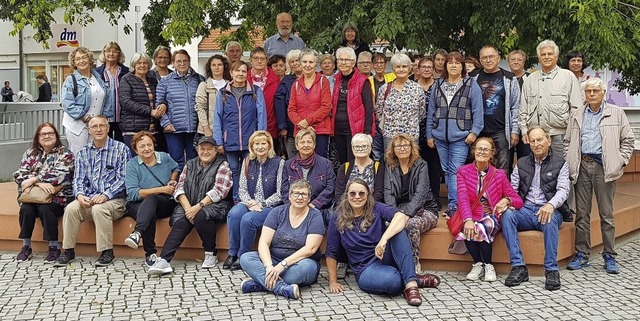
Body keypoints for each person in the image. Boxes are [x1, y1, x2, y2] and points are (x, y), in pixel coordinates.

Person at [326, 178, 441, 307]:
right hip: (365, 269)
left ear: (368, 195)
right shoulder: (338, 217)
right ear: (347, 195)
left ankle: (411, 285)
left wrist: (383, 239)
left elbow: (401, 217)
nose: (357, 197)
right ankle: (412, 277)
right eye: (352, 193)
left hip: (383, 255)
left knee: (398, 230)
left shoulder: (376, 207)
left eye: (361, 193)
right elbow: (331, 251)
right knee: (393, 282)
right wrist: (333, 281)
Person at [564, 78, 634, 274]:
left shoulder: (616, 112)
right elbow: (568, 141)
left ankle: (610, 255)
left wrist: (620, 160)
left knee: (606, 214)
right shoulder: (577, 114)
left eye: (596, 91)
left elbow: (628, 140)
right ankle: (582, 254)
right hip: (582, 165)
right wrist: (570, 160)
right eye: (588, 91)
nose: (592, 94)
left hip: (604, 167)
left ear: (603, 93)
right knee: (582, 214)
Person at [148, 136, 233, 274]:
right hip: (190, 204)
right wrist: (188, 209)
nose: (205, 152)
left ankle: (211, 253)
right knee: (182, 220)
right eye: (202, 149)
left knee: (201, 215)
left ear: (215, 151)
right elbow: (179, 187)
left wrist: (197, 207)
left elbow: (219, 191)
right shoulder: (190, 164)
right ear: (197, 150)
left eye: (209, 149)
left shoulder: (222, 165)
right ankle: (164, 260)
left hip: (217, 205)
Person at [54, 116, 131, 267]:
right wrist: (80, 195)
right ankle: (68, 251)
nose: (98, 129)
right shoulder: (83, 153)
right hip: (89, 198)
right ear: (89, 131)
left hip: (115, 201)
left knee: (99, 209)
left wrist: (105, 195)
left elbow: (124, 179)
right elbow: (78, 179)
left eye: (102, 126)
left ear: (108, 128)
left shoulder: (121, 149)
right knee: (71, 209)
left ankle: (106, 251)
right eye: (94, 126)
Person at [502, 127, 570, 291]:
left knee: (549, 219)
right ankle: (518, 266)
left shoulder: (561, 163)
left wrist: (550, 205)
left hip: (549, 209)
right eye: (532, 141)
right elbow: (513, 189)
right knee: (507, 215)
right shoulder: (522, 163)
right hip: (526, 210)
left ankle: (551, 270)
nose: (536, 144)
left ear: (549, 141)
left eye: (540, 140)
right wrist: (508, 201)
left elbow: (563, 190)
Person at [239, 179, 325, 299]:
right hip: (273, 260)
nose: (300, 197)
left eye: (304, 194)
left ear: (309, 198)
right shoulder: (277, 212)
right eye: (296, 193)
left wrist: (282, 265)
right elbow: (264, 242)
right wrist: (269, 266)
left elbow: (310, 249)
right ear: (290, 196)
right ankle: (282, 288)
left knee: (303, 269)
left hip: (300, 263)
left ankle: (259, 283)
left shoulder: (315, 216)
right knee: (246, 258)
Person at [456, 137, 523, 281]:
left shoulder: (499, 174)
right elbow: (462, 198)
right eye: (479, 148)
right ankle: (478, 263)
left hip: (491, 215)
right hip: (472, 213)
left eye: (486, 149)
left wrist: (507, 200)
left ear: (492, 153)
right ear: (474, 151)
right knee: (468, 226)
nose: (482, 152)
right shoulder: (463, 171)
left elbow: (518, 200)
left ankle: (488, 265)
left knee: (482, 226)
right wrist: (467, 219)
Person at [426, 51, 484, 217]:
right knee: (446, 171)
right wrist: (429, 134)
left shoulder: (471, 84)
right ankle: (455, 205)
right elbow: (431, 111)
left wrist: (474, 132)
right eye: (450, 62)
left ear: (462, 66)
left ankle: (455, 206)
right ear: (445, 66)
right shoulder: (438, 85)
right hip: (439, 137)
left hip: (461, 137)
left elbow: (477, 111)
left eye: (457, 63)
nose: (453, 65)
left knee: (456, 171)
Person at [13, 123, 74, 263]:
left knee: (46, 208)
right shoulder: (30, 153)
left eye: (50, 133)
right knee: (26, 209)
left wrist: (34, 179)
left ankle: (53, 247)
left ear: (56, 136)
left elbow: (59, 176)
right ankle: (26, 246)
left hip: (58, 197)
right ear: (38, 137)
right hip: (33, 197)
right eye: (43, 134)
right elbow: (19, 176)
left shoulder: (65, 153)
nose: (47, 136)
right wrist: (40, 183)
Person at [224, 131, 285, 271]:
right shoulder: (247, 161)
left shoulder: (279, 163)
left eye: (264, 143)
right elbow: (242, 188)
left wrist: (262, 204)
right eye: (256, 144)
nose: (260, 147)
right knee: (234, 214)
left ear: (269, 145)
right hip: (250, 202)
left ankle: (242, 255)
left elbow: (280, 193)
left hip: (270, 205)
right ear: (252, 146)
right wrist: (251, 202)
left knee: (248, 219)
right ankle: (232, 253)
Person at [123, 131, 180, 267]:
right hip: (137, 204)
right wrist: (160, 189)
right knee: (149, 211)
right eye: (142, 146)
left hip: (164, 202)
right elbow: (133, 194)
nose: (147, 148)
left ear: (154, 145)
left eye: (149, 144)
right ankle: (151, 254)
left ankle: (137, 233)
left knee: (152, 201)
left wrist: (172, 180)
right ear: (136, 150)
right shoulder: (132, 165)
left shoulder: (164, 157)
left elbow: (176, 168)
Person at [384, 134, 439, 273]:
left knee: (411, 224)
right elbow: (388, 193)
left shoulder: (421, 165)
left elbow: (420, 194)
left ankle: (413, 263)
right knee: (386, 223)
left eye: (405, 145)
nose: (402, 149)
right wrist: (394, 214)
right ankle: (392, 260)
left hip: (425, 210)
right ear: (393, 149)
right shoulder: (390, 167)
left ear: (411, 147)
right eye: (398, 146)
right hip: (399, 211)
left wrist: (405, 214)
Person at [214, 60, 267, 202]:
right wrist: (218, 141)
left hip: (251, 140)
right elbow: (217, 117)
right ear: (231, 72)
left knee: (250, 171)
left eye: (243, 71)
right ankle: (236, 199)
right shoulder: (223, 93)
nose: (240, 74)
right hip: (229, 140)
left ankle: (249, 199)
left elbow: (261, 115)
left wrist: (261, 138)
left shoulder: (255, 92)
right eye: (237, 71)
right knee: (233, 170)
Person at [519, 40, 582, 158]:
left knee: (561, 170)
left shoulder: (568, 77)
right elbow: (523, 108)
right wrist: (523, 130)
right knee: (538, 171)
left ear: (556, 57)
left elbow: (576, 109)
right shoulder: (530, 79)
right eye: (543, 54)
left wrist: (572, 134)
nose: (546, 57)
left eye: (550, 54)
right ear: (539, 58)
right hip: (535, 137)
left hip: (560, 136)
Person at [471, 45, 521, 173]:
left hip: (501, 131)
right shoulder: (473, 78)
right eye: (484, 57)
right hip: (478, 131)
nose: (488, 60)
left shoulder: (509, 78)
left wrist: (514, 130)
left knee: (502, 168)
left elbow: (516, 106)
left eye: (491, 57)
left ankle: (500, 193)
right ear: (480, 60)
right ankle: (479, 193)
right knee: (478, 166)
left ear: (498, 58)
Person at [61, 46, 114, 154]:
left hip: (96, 127)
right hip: (77, 127)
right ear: (74, 63)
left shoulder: (98, 78)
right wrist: (86, 118)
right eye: (78, 59)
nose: (81, 61)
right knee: (80, 156)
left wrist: (102, 119)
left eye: (84, 57)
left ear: (90, 60)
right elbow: (67, 104)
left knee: (96, 155)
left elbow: (107, 98)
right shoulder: (70, 80)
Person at [156, 49, 205, 168]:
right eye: (178, 61)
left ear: (189, 61)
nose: (182, 64)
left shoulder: (199, 79)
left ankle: (192, 186)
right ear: (173, 63)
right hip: (173, 129)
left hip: (194, 129)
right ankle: (177, 186)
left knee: (194, 162)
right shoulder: (165, 81)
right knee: (176, 162)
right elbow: (158, 105)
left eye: (185, 61)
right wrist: (166, 123)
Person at [282, 129, 335, 225]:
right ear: (297, 146)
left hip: (319, 207)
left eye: (309, 142)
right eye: (302, 142)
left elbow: (330, 188)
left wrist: (315, 204)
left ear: (314, 145)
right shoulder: (288, 165)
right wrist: (295, 205)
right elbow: (285, 189)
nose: (306, 145)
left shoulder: (325, 164)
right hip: (294, 207)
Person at [375, 53, 426, 151]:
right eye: (398, 67)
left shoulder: (417, 89)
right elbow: (378, 112)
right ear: (393, 69)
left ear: (409, 68)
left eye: (404, 66)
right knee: (391, 165)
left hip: (411, 135)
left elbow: (422, 113)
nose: (401, 69)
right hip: (390, 136)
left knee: (411, 164)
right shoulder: (384, 89)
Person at [333, 47, 375, 163]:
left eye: (347, 59)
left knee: (354, 162)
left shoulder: (362, 81)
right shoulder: (335, 80)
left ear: (353, 62)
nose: (343, 62)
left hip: (355, 130)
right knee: (343, 162)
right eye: (340, 59)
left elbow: (369, 108)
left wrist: (367, 133)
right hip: (337, 130)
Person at [288, 49, 332, 158]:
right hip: (301, 131)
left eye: (311, 62)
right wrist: (301, 124)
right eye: (305, 62)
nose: (307, 65)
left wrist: (308, 121)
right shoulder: (296, 85)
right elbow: (291, 109)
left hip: (320, 130)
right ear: (300, 63)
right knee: (303, 163)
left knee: (320, 163)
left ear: (316, 64)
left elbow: (326, 107)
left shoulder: (323, 81)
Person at [118, 52, 165, 153]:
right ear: (134, 65)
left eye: (145, 63)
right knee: (137, 163)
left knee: (151, 162)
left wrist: (163, 104)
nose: (142, 65)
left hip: (152, 130)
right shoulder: (126, 79)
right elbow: (126, 102)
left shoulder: (152, 80)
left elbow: (161, 96)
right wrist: (150, 111)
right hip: (133, 130)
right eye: (139, 63)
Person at [416, 57, 442, 210]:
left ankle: (435, 198)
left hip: (434, 131)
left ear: (433, 69)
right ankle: (419, 199)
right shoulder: (412, 85)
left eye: (429, 67)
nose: (426, 69)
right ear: (418, 69)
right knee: (418, 166)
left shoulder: (439, 86)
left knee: (433, 167)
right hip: (415, 131)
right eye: (423, 67)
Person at [335, 133, 384, 204]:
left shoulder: (378, 167)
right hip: (348, 208)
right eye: (356, 147)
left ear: (370, 147)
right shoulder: (344, 167)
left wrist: (364, 206)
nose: (360, 149)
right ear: (352, 148)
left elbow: (379, 193)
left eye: (364, 146)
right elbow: (339, 194)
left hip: (371, 207)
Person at [95, 42, 130, 142]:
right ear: (104, 53)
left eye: (115, 51)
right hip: (104, 116)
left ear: (119, 54)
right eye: (108, 51)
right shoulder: (97, 73)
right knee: (104, 143)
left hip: (123, 116)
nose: (111, 54)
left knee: (122, 144)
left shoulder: (126, 71)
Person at [274, 49, 303, 158]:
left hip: (311, 127)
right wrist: (283, 127)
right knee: (293, 158)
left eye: (298, 60)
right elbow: (280, 105)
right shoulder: (285, 82)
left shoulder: (314, 79)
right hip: (291, 128)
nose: (296, 63)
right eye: (292, 61)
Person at [248, 47, 281, 142]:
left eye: (262, 59)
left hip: (271, 126)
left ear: (267, 61)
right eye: (256, 58)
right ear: (250, 60)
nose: (259, 61)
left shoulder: (275, 79)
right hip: (248, 127)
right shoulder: (244, 78)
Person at [195, 54, 230, 138]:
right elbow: (200, 108)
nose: (216, 67)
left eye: (219, 65)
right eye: (213, 65)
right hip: (209, 130)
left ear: (224, 67)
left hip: (227, 129)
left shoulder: (230, 85)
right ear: (209, 67)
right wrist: (206, 128)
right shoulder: (204, 85)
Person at [370, 52, 396, 161]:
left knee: (390, 152)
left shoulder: (392, 77)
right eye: (376, 63)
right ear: (372, 65)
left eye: (382, 63)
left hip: (390, 120)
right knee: (376, 152)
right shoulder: (368, 80)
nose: (379, 65)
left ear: (386, 64)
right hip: (374, 120)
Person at [508, 49, 531, 158]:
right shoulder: (505, 78)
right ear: (508, 62)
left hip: (526, 124)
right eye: (513, 59)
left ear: (523, 62)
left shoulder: (530, 78)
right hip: (508, 125)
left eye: (519, 60)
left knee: (525, 156)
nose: (516, 62)